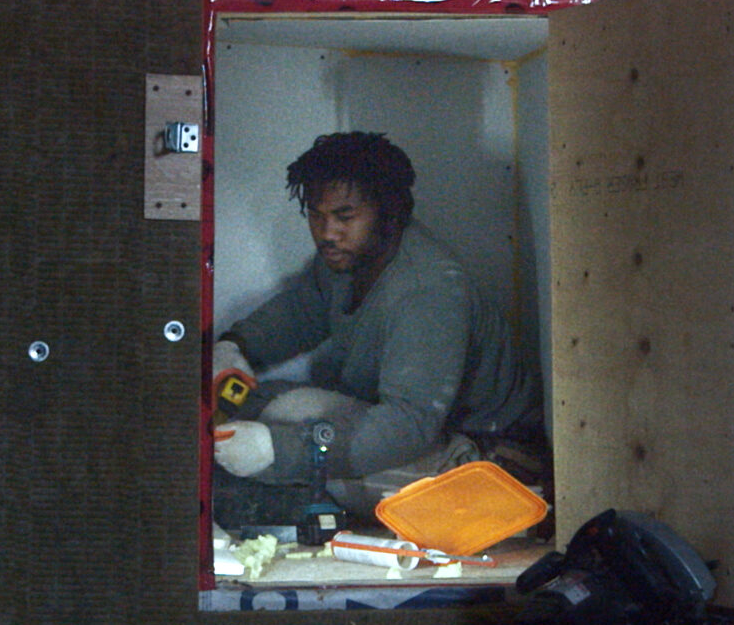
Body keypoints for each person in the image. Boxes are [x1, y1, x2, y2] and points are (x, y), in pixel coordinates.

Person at [209, 131, 545, 529]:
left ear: (390, 213)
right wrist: (234, 346)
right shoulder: (349, 257)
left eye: (345, 217)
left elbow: (407, 427)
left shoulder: (427, 289)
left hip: (491, 462)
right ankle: (306, 490)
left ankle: (306, 499)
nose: (327, 233)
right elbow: (301, 311)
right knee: (266, 405)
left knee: (299, 440)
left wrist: (278, 452)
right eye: (316, 215)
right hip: (427, 435)